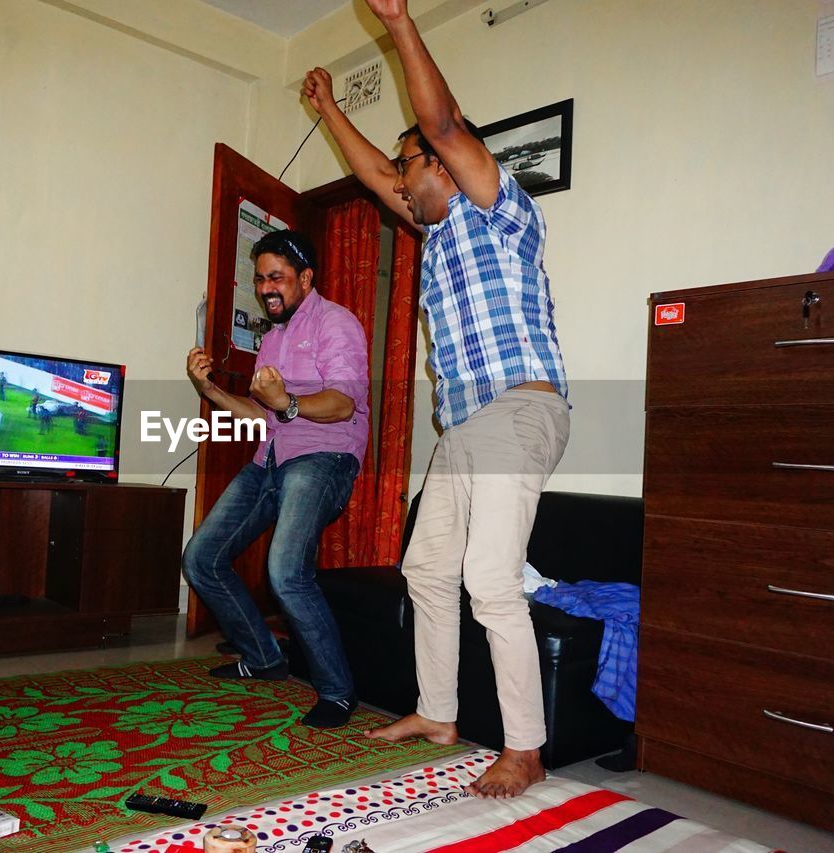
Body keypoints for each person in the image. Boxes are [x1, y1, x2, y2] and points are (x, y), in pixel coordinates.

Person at [303, 0, 570, 796]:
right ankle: (440, 712)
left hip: (518, 408)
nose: (398, 177)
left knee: (489, 577)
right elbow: (377, 177)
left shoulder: (499, 211)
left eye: (409, 161)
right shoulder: (436, 235)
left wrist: (400, 25)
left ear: (444, 166)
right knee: (426, 566)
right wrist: (325, 110)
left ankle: (525, 745)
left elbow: (446, 122)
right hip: (463, 426)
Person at [183, 229, 370, 729]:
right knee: (201, 558)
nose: (267, 288)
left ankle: (337, 691)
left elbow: (342, 402)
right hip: (270, 458)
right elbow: (258, 413)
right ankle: (264, 658)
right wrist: (209, 389)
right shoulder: (272, 339)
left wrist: (286, 402)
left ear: (305, 278)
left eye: (277, 278)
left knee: (286, 571)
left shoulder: (336, 323)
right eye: (261, 278)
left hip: (324, 457)